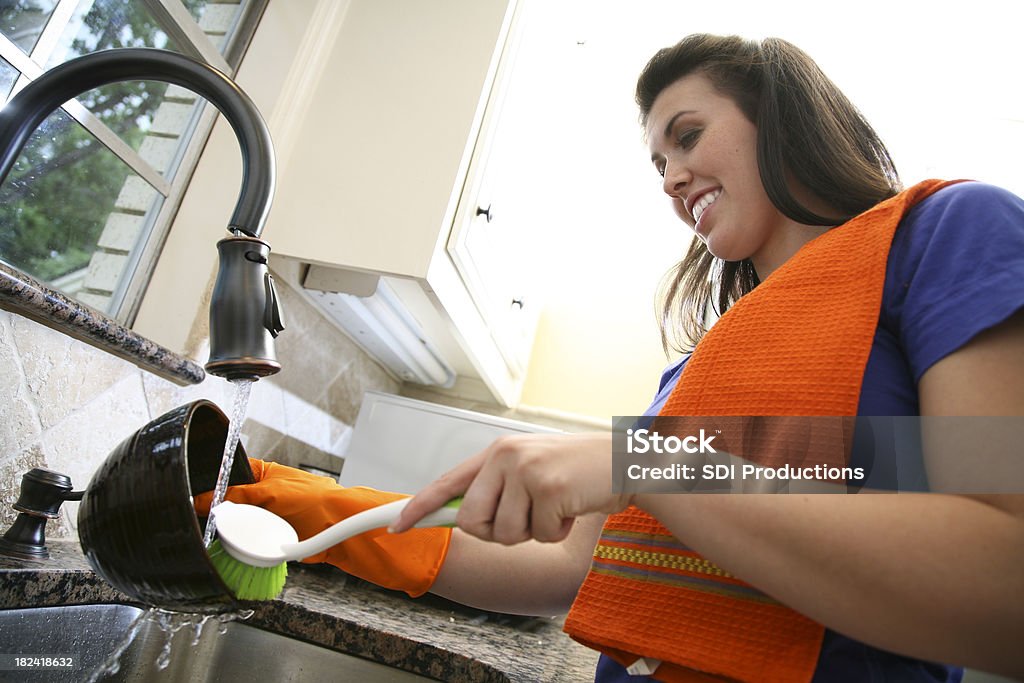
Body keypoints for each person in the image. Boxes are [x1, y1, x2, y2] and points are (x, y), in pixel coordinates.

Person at [209, 34, 1024, 682]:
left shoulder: (946, 234)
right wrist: (298, 505)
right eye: (658, 164)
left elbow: (1003, 578)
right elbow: (564, 562)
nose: (671, 177)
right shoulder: (694, 376)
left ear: (778, 116)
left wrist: (649, 461)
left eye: (688, 136)